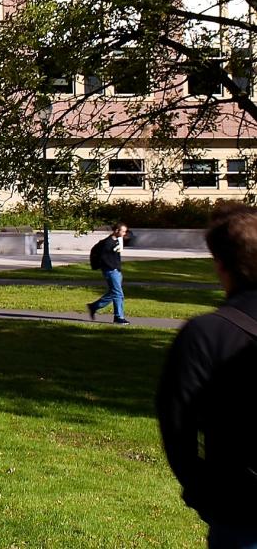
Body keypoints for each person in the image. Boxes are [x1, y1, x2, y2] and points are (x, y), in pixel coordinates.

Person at [157, 202, 257, 547]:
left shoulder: (206, 334)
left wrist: (205, 494)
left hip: (241, 508)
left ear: (221, 266)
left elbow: (177, 426)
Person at [87, 223, 131, 324]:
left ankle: (93, 306)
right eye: (123, 231)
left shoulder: (116, 241)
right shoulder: (108, 243)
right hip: (111, 271)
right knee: (118, 294)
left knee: (113, 292)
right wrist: (112, 268)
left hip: (116, 270)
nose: (124, 234)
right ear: (116, 231)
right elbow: (103, 258)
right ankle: (118, 317)